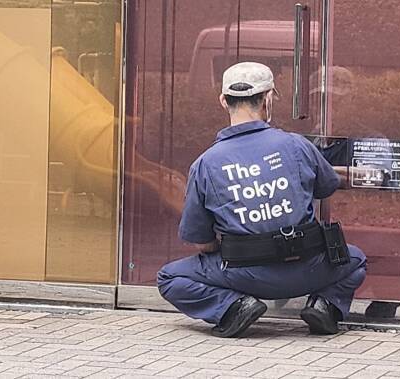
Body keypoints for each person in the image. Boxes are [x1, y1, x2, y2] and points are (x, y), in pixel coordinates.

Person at [157, 62, 368, 338]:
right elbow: (326, 186)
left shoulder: (206, 164)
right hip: (309, 270)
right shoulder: (297, 145)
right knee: (356, 259)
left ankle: (235, 306)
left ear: (223, 101)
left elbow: (203, 243)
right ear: (269, 99)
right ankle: (324, 306)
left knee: (169, 278)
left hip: (243, 277)